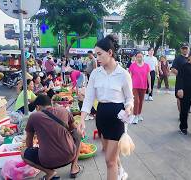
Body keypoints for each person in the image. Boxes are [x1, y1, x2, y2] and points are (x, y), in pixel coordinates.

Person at [80, 35, 133, 180]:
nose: (97, 58)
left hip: (117, 118)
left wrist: (128, 108)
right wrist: (82, 119)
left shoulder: (123, 74)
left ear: (110, 53)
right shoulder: (95, 74)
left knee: (109, 161)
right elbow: (89, 98)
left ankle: (117, 171)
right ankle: (120, 170)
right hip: (101, 117)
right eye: (96, 54)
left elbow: (129, 98)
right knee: (109, 153)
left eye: (99, 54)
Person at [21, 95, 82, 180]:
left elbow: (29, 140)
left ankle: (50, 172)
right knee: (78, 135)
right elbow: (74, 129)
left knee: (24, 153)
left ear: (38, 107)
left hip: (47, 162)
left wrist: (32, 151)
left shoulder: (34, 117)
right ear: (51, 104)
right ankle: (74, 168)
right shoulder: (64, 110)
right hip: (69, 156)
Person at [129, 51, 151, 124]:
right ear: (136, 57)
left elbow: (148, 76)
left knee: (141, 101)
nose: (139, 58)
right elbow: (130, 76)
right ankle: (135, 116)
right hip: (134, 86)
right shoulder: (132, 65)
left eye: (140, 56)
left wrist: (150, 86)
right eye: (138, 56)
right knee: (136, 101)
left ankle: (139, 114)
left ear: (143, 57)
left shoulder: (147, 66)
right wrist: (128, 86)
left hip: (143, 86)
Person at [171, 43, 190, 114]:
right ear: (181, 49)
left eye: (186, 48)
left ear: (188, 49)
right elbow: (173, 69)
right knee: (179, 97)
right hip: (180, 81)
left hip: (190, 82)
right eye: (183, 48)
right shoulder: (178, 58)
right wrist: (181, 75)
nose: (185, 50)